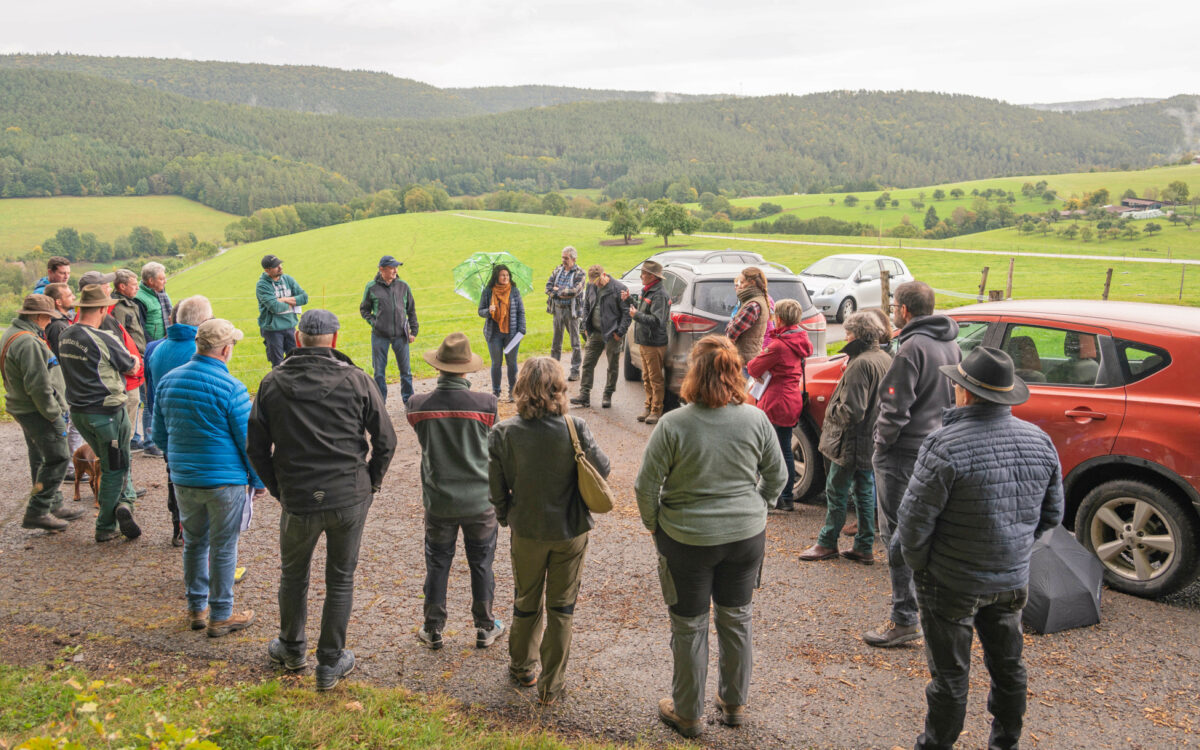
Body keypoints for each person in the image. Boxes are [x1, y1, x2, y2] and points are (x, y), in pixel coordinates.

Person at [898, 346, 1063, 750]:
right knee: (1009, 668)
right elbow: (1052, 515)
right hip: (1010, 578)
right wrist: (1015, 547)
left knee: (951, 677)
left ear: (965, 393)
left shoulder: (944, 445)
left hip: (951, 580)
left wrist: (922, 567)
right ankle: (1005, 743)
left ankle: (935, 745)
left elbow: (913, 523)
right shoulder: (1040, 441)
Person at [635, 335, 787, 738]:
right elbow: (778, 476)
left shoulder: (674, 424)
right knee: (736, 619)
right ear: (735, 372)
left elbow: (645, 486)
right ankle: (734, 702)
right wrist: (758, 508)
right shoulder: (756, 419)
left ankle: (688, 711)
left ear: (693, 374)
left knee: (689, 626)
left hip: (686, 539)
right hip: (744, 537)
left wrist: (655, 526)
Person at [247, 310, 396, 691]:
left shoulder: (273, 382)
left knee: (293, 574)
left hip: (300, 495)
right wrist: (370, 483)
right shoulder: (357, 379)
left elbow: (257, 448)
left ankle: (293, 648)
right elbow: (386, 441)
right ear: (335, 337)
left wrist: (280, 488)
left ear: (297, 337)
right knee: (340, 578)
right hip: (348, 493)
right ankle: (329, 661)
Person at [488, 357, 610, 705]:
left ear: (521, 387)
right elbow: (603, 468)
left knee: (526, 599)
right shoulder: (576, 427)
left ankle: (522, 666)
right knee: (562, 606)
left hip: (526, 528)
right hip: (570, 529)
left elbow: (495, 486)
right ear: (559, 387)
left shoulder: (504, 432)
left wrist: (504, 515)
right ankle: (551, 685)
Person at [864, 281, 961, 648]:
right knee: (926, 530)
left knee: (897, 535)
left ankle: (904, 617)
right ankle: (930, 609)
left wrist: (881, 445)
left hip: (903, 453)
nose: (892, 311)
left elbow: (894, 407)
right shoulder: (950, 341)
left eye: (894, 306)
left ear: (904, 309)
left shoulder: (910, 348)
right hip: (936, 446)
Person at [154, 318, 264, 638]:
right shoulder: (232, 387)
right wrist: (257, 480)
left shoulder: (168, 382)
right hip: (224, 481)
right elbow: (248, 442)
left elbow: (160, 437)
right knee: (224, 546)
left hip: (184, 479)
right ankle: (221, 614)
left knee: (194, 542)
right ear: (227, 349)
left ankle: (195, 608)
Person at [406, 333, 504, 651]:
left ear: (439, 367)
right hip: (479, 500)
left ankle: (433, 627)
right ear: (466, 370)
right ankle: (485, 625)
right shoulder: (487, 405)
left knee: (437, 562)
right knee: (481, 562)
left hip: (440, 500)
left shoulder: (418, 406)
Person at [800, 311, 891, 562]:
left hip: (850, 440)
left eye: (849, 332)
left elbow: (853, 410)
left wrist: (831, 412)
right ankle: (863, 545)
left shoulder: (861, 363)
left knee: (837, 491)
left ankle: (827, 542)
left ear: (859, 334)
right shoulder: (883, 357)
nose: (845, 335)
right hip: (870, 437)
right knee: (863, 490)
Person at [58, 285, 142, 542]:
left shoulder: (65, 334)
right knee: (116, 466)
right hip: (108, 413)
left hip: (80, 413)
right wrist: (134, 360)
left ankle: (124, 502)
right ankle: (106, 524)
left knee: (110, 462)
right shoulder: (104, 338)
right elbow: (130, 366)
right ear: (104, 309)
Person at [2, 294, 86, 532]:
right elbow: (38, 386)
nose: (49, 323)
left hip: (24, 408)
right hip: (38, 411)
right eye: (48, 318)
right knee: (58, 457)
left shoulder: (11, 334)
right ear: (38, 316)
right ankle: (38, 511)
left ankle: (53, 505)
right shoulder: (28, 342)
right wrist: (54, 416)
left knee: (40, 458)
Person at [148, 296, 214, 547]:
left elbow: (151, 392)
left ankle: (179, 525)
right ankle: (198, 535)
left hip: (168, 425)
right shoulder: (201, 349)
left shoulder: (156, 348)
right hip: (199, 429)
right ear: (204, 321)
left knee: (174, 476)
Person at [746, 298, 812, 512]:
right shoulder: (800, 340)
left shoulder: (778, 346)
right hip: (792, 399)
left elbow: (754, 367)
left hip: (775, 401)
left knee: (769, 452)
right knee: (785, 449)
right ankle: (787, 496)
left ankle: (772, 496)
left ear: (779, 319)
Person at [359, 255, 418, 405]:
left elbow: (411, 310)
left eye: (396, 267)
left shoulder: (403, 286)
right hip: (380, 336)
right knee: (379, 373)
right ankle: (380, 404)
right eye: (392, 268)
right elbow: (364, 310)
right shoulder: (371, 287)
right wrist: (375, 323)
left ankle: (409, 401)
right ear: (381, 269)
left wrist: (414, 331)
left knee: (406, 372)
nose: (395, 271)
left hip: (401, 335)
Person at [569, 264, 630, 409]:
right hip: (595, 332)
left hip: (612, 333)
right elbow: (586, 306)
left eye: (598, 281)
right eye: (593, 282)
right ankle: (584, 395)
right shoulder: (591, 286)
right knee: (588, 362)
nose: (596, 284)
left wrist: (620, 332)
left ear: (604, 275)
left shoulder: (618, 288)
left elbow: (627, 313)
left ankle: (607, 394)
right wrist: (584, 325)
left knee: (612, 365)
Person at [42, 283, 84, 473]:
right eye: (69, 295)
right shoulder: (58, 325)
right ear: (58, 301)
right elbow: (64, 357)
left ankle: (72, 465)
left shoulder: (60, 322)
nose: (73, 297)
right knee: (69, 423)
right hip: (65, 382)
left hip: (65, 381)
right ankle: (70, 467)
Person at [622, 260, 669, 424]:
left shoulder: (659, 295)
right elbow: (641, 311)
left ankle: (656, 410)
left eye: (643, 273)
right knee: (646, 377)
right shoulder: (647, 290)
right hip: (644, 341)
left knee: (655, 378)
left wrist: (637, 316)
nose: (641, 276)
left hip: (654, 343)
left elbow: (658, 320)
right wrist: (629, 301)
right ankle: (648, 407)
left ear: (652, 276)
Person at [133, 262, 170, 457]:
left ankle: (157, 437)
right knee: (149, 398)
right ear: (150, 281)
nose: (165, 281)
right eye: (162, 278)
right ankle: (149, 441)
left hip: (162, 346)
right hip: (150, 351)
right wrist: (152, 349)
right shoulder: (140, 299)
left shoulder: (161, 294)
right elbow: (141, 329)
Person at [477, 264, 526, 401]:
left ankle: (513, 391)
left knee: (512, 362)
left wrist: (522, 329)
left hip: (512, 332)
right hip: (494, 333)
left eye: (507, 275)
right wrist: (489, 310)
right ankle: (496, 392)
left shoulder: (514, 291)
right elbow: (480, 311)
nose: (505, 277)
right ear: (496, 277)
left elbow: (521, 311)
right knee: (496, 363)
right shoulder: (488, 292)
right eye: (502, 275)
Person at [255, 254, 309, 368]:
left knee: (297, 361)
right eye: (276, 266)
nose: (280, 267)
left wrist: (283, 300)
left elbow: (304, 298)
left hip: (290, 326)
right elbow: (275, 307)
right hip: (273, 330)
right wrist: (292, 303)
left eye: (280, 264)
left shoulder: (288, 279)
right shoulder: (262, 285)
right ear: (267, 270)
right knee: (278, 365)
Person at [545, 246, 585, 381]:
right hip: (557, 310)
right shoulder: (557, 270)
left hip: (571, 312)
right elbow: (548, 287)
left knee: (575, 343)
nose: (563, 260)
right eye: (562, 257)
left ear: (573, 259)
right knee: (556, 342)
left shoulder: (580, 273)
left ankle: (575, 371)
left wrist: (558, 290)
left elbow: (574, 291)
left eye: (566, 258)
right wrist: (561, 292)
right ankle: (553, 371)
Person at [725, 267, 770, 367]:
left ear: (752, 282)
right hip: (750, 357)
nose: (739, 286)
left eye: (742, 282)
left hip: (744, 361)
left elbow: (731, 333)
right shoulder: (758, 300)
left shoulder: (752, 305)